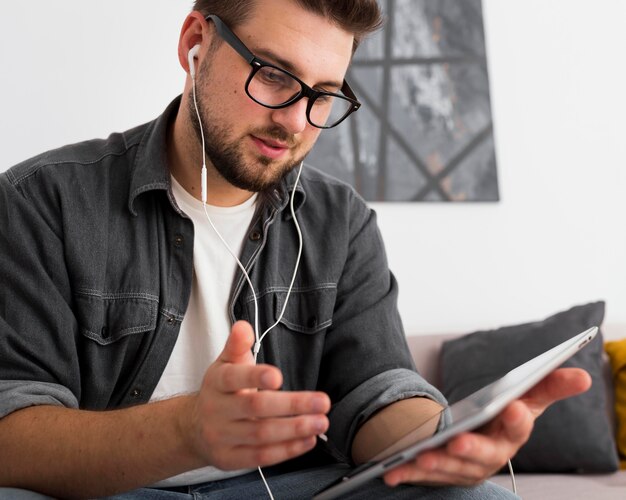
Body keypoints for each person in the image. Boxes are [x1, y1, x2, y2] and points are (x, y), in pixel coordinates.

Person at [0, 0, 590, 498]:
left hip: (284, 489)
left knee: (476, 495)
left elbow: (376, 390)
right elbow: (11, 429)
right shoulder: (41, 201)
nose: (296, 122)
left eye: (323, 94)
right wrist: (187, 432)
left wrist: (445, 439)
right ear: (195, 41)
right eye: (274, 75)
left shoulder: (341, 222)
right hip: (113, 494)